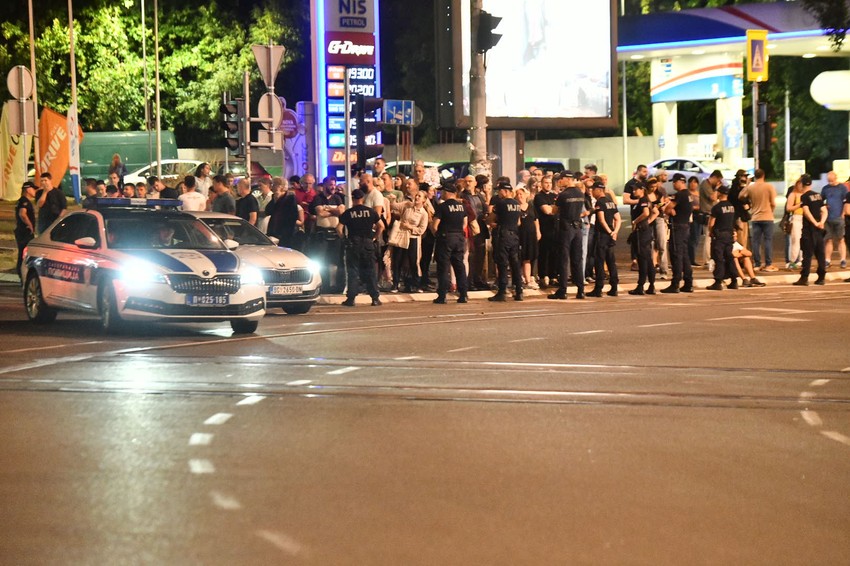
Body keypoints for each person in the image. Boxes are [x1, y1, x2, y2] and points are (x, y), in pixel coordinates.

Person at [337, 189, 382, 306]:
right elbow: (381, 226)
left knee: (353, 271)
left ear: (353, 199)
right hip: (367, 244)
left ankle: (351, 299)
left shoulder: (348, 213)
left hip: (353, 244)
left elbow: (338, 228)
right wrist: (374, 238)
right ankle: (375, 298)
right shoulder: (371, 212)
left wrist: (344, 239)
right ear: (363, 199)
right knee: (370, 271)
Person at [549, 171, 587, 300]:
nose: (559, 181)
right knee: (577, 260)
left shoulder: (563, 195)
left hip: (566, 229)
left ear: (567, 179)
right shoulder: (580, 193)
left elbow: (554, 211)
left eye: (561, 179)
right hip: (578, 228)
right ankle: (581, 290)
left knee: (564, 260)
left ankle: (563, 290)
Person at [431, 183, 469, 304]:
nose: (441, 193)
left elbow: (434, 225)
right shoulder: (462, 207)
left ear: (447, 192)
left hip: (445, 238)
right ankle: (463, 294)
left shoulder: (442, 207)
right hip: (458, 237)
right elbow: (465, 224)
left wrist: (438, 235)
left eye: (442, 191)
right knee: (459, 266)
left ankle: (442, 295)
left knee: (443, 267)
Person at [309, 176, 346, 293]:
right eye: (330, 185)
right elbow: (320, 213)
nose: (333, 187)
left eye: (334, 184)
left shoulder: (338, 198)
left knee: (334, 260)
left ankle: (333, 285)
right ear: (325, 185)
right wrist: (333, 211)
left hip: (335, 234)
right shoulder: (318, 198)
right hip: (322, 234)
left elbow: (341, 212)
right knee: (321, 260)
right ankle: (322, 284)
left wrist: (327, 209)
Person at [489, 180, 523, 302]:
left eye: (500, 191)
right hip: (514, 236)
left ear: (505, 191)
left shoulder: (500, 204)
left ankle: (502, 292)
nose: (499, 193)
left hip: (503, 236)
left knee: (502, 264)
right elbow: (519, 222)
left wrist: (492, 222)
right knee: (515, 264)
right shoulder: (517, 204)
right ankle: (519, 291)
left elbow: (491, 219)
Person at [389, 191, 429, 293]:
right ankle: (395, 284)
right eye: (416, 195)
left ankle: (416, 284)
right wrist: (393, 199)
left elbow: (421, 230)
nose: (417, 197)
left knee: (413, 262)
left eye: (420, 196)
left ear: (424, 200)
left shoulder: (423, 213)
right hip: (402, 236)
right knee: (397, 260)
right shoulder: (407, 205)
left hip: (413, 238)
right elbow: (394, 206)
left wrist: (410, 227)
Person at [662, 173, 695, 293]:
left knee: (676, 255)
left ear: (679, 182)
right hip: (686, 226)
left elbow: (667, 208)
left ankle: (675, 283)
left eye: (674, 182)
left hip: (678, 228)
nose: (673, 184)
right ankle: (688, 282)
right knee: (685, 256)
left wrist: (670, 209)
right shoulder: (688, 194)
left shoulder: (680, 195)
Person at [587, 181, 620, 297]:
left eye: (593, 190)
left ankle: (598, 288)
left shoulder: (600, 202)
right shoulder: (610, 202)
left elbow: (601, 220)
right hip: (610, 236)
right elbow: (618, 219)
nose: (592, 192)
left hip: (602, 235)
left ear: (598, 190)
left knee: (599, 262)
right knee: (611, 261)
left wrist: (609, 231)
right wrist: (614, 232)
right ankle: (614, 286)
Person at [740, 169, 777, 271]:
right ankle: (768, 264)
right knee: (768, 240)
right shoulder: (769, 186)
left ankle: (757, 264)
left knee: (756, 242)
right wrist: (771, 211)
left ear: (755, 176)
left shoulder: (751, 188)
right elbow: (773, 203)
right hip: (768, 217)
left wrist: (747, 184)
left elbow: (741, 196)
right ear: (763, 175)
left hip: (755, 217)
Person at [794, 174, 827, 286]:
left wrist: (814, 223)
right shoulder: (818, 195)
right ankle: (821, 277)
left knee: (807, 254)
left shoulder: (804, 197)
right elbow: (824, 211)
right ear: (811, 184)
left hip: (809, 229)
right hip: (819, 229)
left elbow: (806, 212)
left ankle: (804, 278)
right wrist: (821, 222)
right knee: (820, 253)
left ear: (802, 184)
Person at [706, 185, 738, 290]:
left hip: (719, 235)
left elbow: (711, 223)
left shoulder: (717, 207)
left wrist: (711, 232)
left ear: (720, 193)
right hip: (729, 235)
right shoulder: (731, 206)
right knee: (729, 257)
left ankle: (718, 281)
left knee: (718, 258)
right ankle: (734, 280)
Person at [627, 181, 657, 295]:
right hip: (644, 231)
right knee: (648, 259)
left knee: (642, 259)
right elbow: (655, 211)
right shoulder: (645, 200)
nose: (634, 191)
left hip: (641, 233)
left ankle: (641, 286)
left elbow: (646, 212)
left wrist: (637, 221)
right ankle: (651, 285)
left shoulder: (643, 200)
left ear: (642, 190)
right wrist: (647, 222)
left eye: (636, 189)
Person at [533, 174, 558, 288]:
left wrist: (552, 208)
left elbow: (558, 209)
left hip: (555, 229)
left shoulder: (555, 195)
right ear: (541, 184)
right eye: (546, 183)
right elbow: (547, 211)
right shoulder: (539, 197)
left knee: (554, 253)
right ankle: (543, 276)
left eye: (550, 183)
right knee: (544, 253)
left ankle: (553, 276)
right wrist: (555, 208)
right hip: (544, 228)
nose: (548, 185)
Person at [820, 171, 848, 268]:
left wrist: (843, 214)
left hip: (839, 217)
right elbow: (821, 201)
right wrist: (824, 207)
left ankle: (843, 259)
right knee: (828, 239)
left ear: (836, 178)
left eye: (831, 180)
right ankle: (827, 260)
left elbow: (846, 202)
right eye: (828, 181)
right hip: (828, 218)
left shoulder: (842, 188)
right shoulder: (825, 189)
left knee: (841, 239)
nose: (830, 182)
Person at [516, 186, 540, 290]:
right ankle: (520, 279)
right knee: (520, 257)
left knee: (528, 258)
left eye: (521, 194)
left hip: (531, 235)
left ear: (526, 195)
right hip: (520, 235)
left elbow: (535, 220)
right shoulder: (516, 207)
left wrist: (538, 231)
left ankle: (528, 279)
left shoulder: (531, 206)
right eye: (518, 194)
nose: (520, 196)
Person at [698, 170, 722, 270]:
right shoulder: (705, 184)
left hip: (711, 212)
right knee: (708, 237)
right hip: (707, 213)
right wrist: (717, 188)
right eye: (718, 180)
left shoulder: (709, 185)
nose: (718, 183)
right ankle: (707, 260)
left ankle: (710, 258)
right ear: (714, 177)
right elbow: (713, 197)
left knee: (711, 237)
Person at [14, 181, 37, 281]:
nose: (34, 191)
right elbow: (22, 213)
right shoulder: (25, 201)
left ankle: (21, 274)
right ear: (28, 189)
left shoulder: (20, 200)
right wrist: (30, 225)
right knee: (24, 254)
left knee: (22, 253)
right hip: (25, 232)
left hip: (21, 231)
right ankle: (22, 274)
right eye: (33, 189)